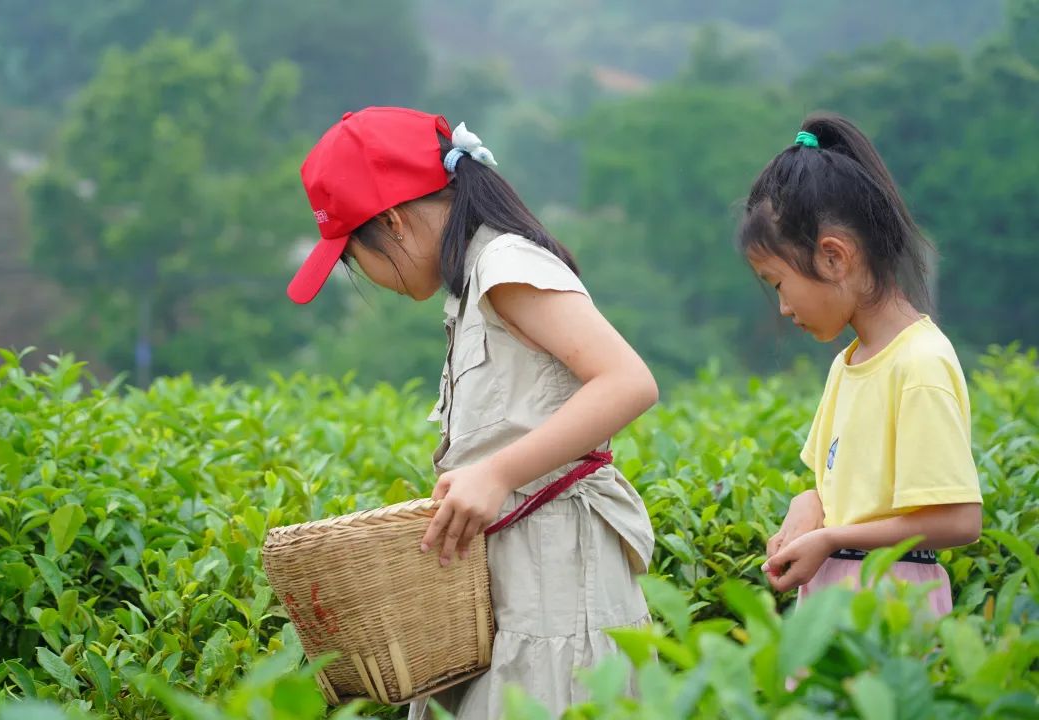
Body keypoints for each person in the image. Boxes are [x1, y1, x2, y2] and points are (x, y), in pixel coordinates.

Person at [287, 107, 658, 717]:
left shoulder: (506, 266)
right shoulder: (474, 282)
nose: (364, 276)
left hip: (558, 578)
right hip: (520, 581)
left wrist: (496, 473)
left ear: (396, 223)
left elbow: (627, 382)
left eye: (354, 258)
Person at [738, 112, 983, 614]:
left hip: (891, 602)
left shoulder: (920, 364)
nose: (783, 308)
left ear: (833, 257)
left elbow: (959, 519)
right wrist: (810, 506)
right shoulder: (849, 364)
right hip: (836, 597)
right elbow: (847, 491)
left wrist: (833, 539)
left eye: (779, 284)